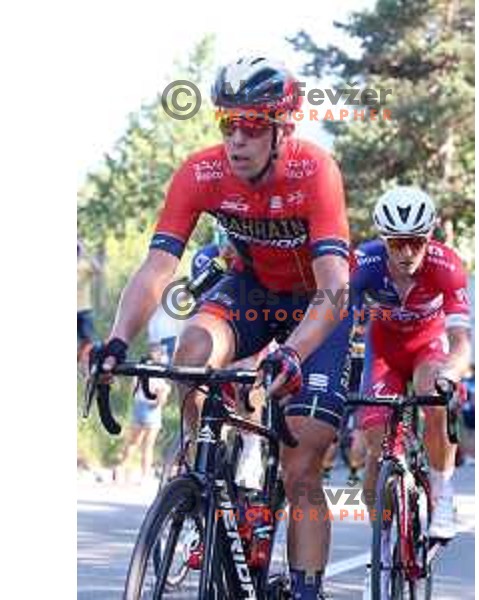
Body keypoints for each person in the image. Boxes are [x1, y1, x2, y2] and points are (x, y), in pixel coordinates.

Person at [98, 56, 352, 599]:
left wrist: (295, 353)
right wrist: (118, 341)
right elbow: (157, 268)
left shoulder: (315, 172)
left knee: (303, 458)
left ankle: (306, 589)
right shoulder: (201, 172)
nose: (237, 139)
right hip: (251, 291)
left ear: (284, 129)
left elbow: (335, 284)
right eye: (227, 124)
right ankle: (201, 475)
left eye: (253, 126)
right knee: (192, 348)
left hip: (317, 305)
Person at [351, 187, 472, 540]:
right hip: (383, 352)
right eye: (396, 243)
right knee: (377, 449)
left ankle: (443, 495)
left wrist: (450, 373)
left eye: (416, 242)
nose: (406, 252)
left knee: (432, 392)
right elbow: (335, 320)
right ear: (382, 239)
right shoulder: (363, 263)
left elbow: (462, 342)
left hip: (427, 348)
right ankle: (383, 553)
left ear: (429, 237)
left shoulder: (446, 265)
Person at [114, 344, 171, 484]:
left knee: (133, 442)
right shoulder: (159, 373)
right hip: (150, 409)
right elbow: (161, 397)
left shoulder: (142, 370)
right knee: (147, 445)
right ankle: (143, 475)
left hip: (140, 405)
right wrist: (159, 401)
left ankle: (122, 470)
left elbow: (134, 389)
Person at [77, 240, 101, 367]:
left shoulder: (84, 265)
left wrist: (85, 252)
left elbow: (98, 270)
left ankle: (86, 366)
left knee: (88, 343)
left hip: (84, 309)